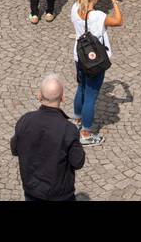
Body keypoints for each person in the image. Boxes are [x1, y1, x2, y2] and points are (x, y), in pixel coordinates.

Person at [10, 73, 85, 201]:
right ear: (62, 98)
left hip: (32, 192)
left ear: (39, 95)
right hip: (61, 195)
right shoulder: (69, 129)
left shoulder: (25, 120)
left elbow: (15, 149)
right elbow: (78, 162)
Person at [70, 0, 122, 146]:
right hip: (95, 60)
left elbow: (83, 0)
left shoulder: (75, 9)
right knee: (91, 96)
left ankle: (77, 121)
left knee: (81, 88)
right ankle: (86, 134)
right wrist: (113, 0)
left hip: (80, 56)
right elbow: (118, 21)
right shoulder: (98, 16)